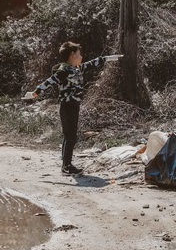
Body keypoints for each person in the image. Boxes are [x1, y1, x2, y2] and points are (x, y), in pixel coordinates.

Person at [25, 42, 123, 175]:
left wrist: (108, 58)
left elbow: (92, 63)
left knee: (71, 136)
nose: (81, 56)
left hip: (74, 105)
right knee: (70, 136)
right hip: (67, 106)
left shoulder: (77, 69)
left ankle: (67, 165)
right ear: (72, 55)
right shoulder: (64, 70)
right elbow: (50, 81)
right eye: (79, 53)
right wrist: (35, 92)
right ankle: (66, 166)